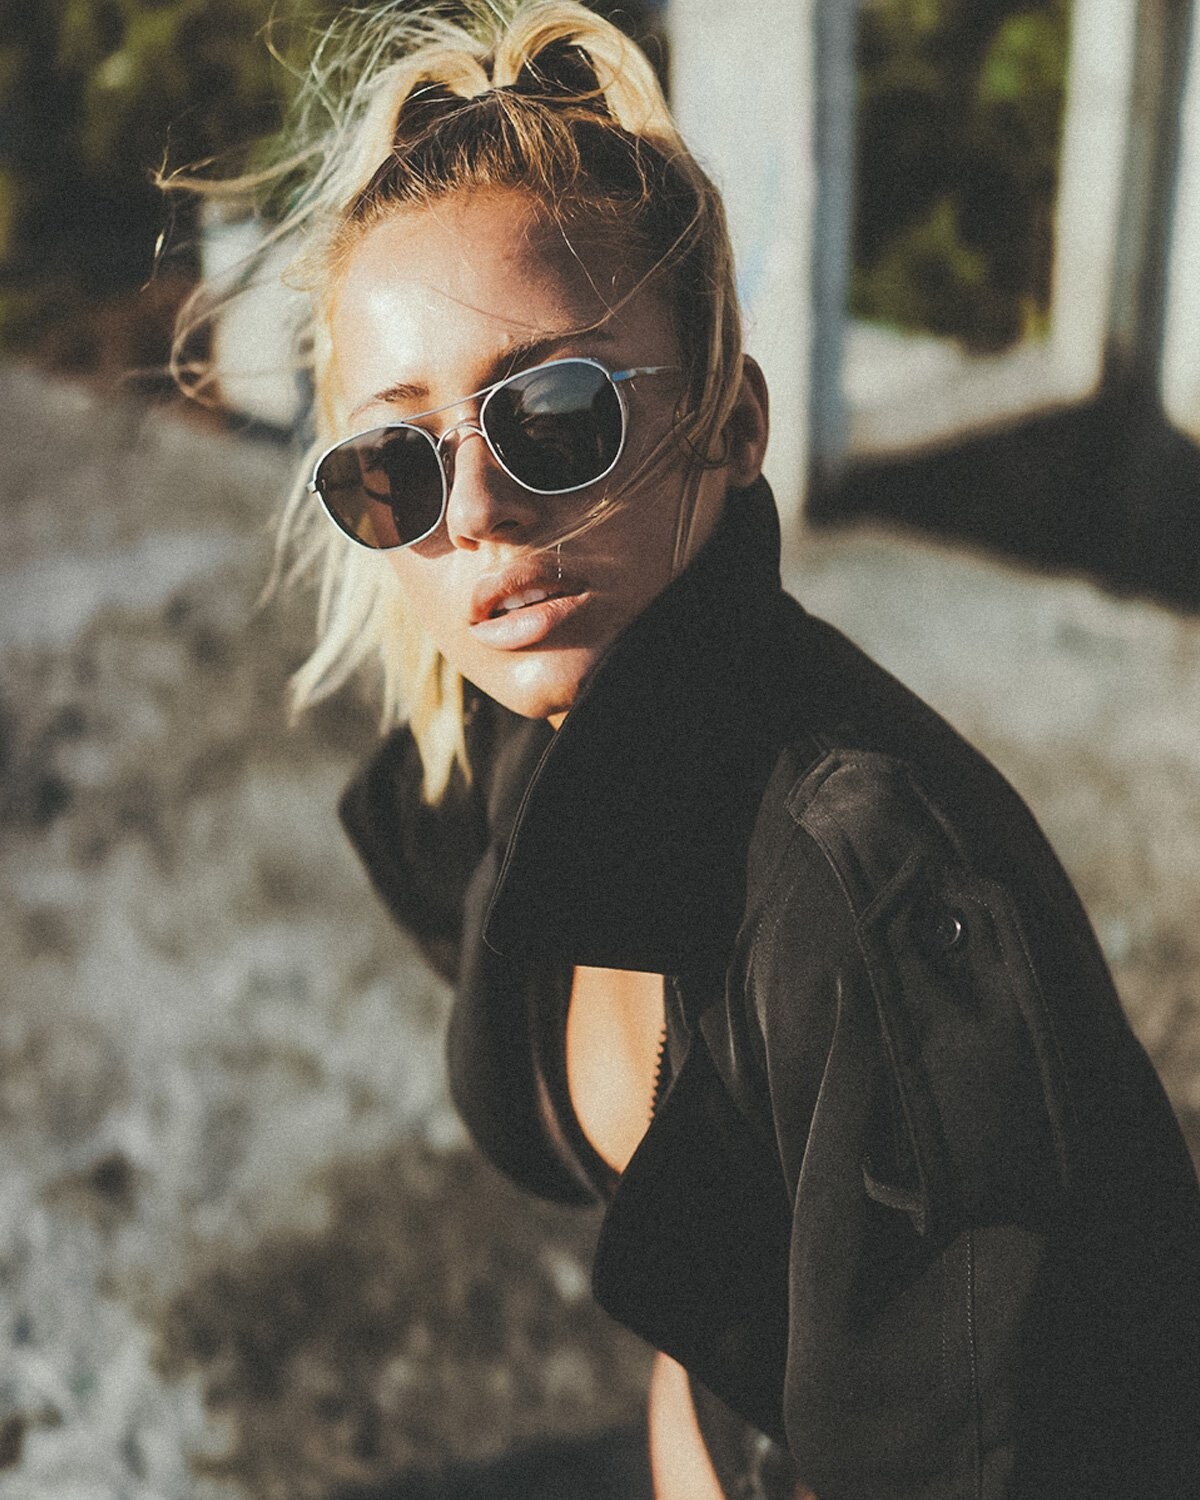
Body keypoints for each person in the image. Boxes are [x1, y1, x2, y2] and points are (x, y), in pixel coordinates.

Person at [169, 3, 1200, 1496]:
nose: (480, 516)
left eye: (555, 415)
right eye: (398, 463)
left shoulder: (871, 913)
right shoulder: (524, 727)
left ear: (733, 423)